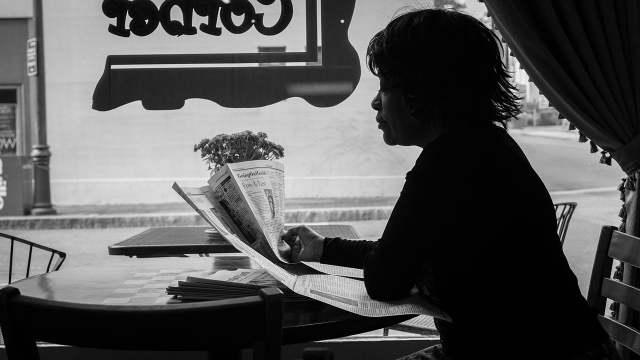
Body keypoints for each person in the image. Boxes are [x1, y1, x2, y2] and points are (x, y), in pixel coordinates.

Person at [281, 8, 620, 360]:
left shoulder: (448, 162)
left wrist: (338, 254)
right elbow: (397, 253)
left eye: (385, 87)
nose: (375, 101)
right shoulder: (484, 144)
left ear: (421, 90)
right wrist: (322, 248)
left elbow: (385, 279)